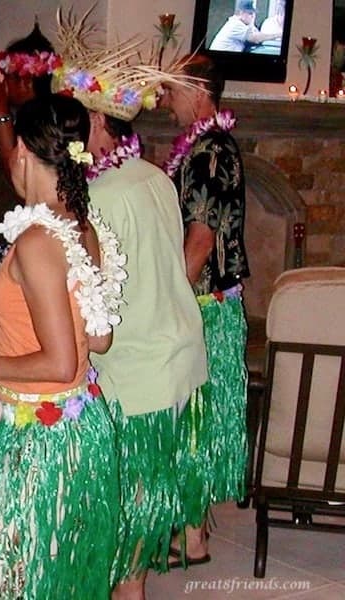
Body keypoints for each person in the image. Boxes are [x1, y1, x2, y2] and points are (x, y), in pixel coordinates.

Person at [0, 93, 126, 599]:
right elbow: (99, 337)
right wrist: (8, 315)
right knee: (48, 576)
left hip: (39, 437)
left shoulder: (41, 239)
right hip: (74, 427)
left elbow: (61, 362)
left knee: (5, 581)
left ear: (18, 148)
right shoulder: (79, 226)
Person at [51, 17, 208, 599]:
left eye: (74, 109)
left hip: (135, 371)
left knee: (124, 513)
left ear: (96, 118)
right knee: (142, 503)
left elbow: (94, 306)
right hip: (171, 359)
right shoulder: (154, 177)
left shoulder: (100, 195)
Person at [160, 52, 251, 570]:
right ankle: (190, 533)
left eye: (172, 88)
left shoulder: (211, 151)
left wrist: (171, 303)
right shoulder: (204, 147)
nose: (166, 99)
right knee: (195, 420)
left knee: (194, 420)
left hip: (203, 307)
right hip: (209, 303)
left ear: (197, 88)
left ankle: (192, 539)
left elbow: (200, 238)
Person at [0, 21, 60, 278]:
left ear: (27, 81)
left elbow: (17, 174)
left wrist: (0, 113)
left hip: (25, 240)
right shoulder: (24, 117)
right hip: (9, 236)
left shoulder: (43, 120)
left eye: (9, 77)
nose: (3, 83)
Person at [209, 0, 280, 53]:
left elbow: (257, 35)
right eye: (250, 13)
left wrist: (251, 24)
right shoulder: (235, 24)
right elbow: (255, 38)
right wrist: (278, 35)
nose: (252, 16)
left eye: (253, 13)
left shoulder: (244, 24)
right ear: (241, 12)